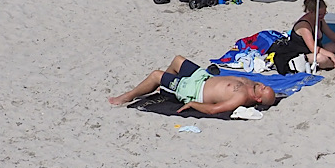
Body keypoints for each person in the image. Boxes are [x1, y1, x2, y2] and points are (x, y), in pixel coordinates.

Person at [106, 55, 277, 115]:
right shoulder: (253, 84)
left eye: (264, 90)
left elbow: (214, 109)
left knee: (156, 75)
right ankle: (166, 88)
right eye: (266, 86)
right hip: (203, 77)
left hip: (195, 90)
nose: (263, 86)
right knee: (177, 60)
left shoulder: (241, 97)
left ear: (258, 99)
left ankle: (127, 96)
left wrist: (193, 104)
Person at [272, 0, 335, 72]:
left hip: (314, 50)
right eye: (320, 14)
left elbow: (332, 35)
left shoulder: (320, 20)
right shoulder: (304, 26)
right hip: (299, 54)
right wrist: (331, 55)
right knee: (322, 58)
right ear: (311, 12)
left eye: (324, 13)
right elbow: (313, 48)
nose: (323, 16)